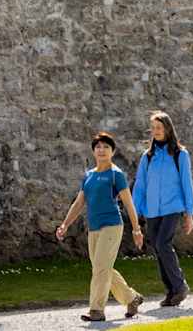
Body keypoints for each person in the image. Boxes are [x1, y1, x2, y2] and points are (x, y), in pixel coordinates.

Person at [55, 131, 145, 324]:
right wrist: (65, 224)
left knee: (101, 269)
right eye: (98, 147)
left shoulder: (116, 175)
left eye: (106, 147)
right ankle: (131, 298)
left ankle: (97, 310)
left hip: (112, 226)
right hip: (94, 228)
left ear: (112, 151)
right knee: (102, 268)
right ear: (93, 152)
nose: (102, 150)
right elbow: (79, 204)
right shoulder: (89, 176)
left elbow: (129, 204)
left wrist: (136, 229)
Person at [133, 111, 193, 309]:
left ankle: (180, 285)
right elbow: (140, 185)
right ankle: (171, 291)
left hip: (173, 206)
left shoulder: (180, 154)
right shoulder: (147, 156)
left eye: (159, 128)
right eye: (153, 128)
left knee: (163, 243)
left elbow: (187, 183)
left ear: (168, 128)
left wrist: (189, 213)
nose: (156, 131)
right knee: (158, 248)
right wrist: (136, 211)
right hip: (152, 209)